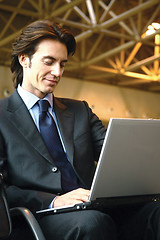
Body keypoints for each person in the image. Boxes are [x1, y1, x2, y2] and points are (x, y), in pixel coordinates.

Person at [0, 19, 160, 240]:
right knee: (93, 223)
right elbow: (3, 190)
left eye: (62, 64)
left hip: (93, 206)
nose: (57, 72)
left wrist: (143, 144)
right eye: (49, 62)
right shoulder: (1, 116)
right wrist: (54, 200)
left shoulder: (80, 111)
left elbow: (113, 155)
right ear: (24, 59)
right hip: (41, 216)